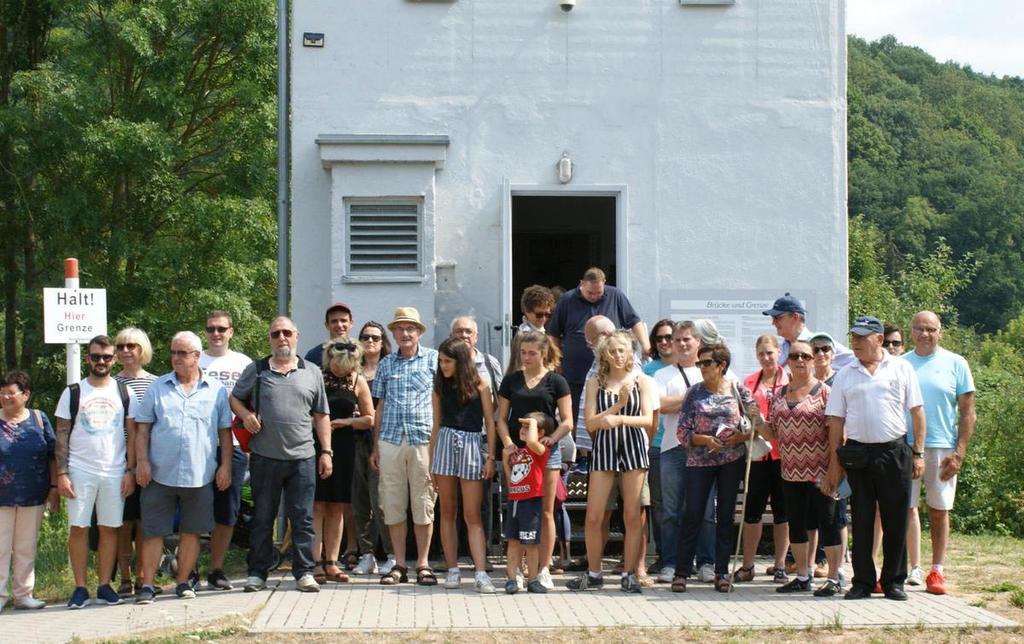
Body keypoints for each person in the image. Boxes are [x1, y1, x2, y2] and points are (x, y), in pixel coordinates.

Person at [823, 316, 925, 601]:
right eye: (853, 336)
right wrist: (835, 462)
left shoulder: (901, 368)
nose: (855, 342)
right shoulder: (845, 373)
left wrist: (918, 453)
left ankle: (893, 581)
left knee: (895, 519)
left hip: (894, 452)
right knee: (863, 519)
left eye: (862, 336)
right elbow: (835, 421)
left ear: (879, 339)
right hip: (858, 454)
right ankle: (863, 582)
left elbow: (917, 413)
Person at [231, 316, 333, 593]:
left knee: (303, 518)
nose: (281, 338)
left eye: (286, 332)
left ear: (296, 336)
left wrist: (326, 451)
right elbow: (235, 398)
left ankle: (304, 573)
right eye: (276, 334)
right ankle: (257, 572)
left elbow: (321, 415)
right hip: (265, 457)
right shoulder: (257, 369)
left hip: (303, 457)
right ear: (270, 339)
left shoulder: (311, 371)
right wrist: (246, 414)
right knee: (263, 518)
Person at [133, 332, 232, 603]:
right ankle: (148, 585)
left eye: (182, 353)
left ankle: (182, 582)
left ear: (197, 356)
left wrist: (225, 467)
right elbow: (142, 430)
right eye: (173, 353)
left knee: (192, 531)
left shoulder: (216, 391)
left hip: (200, 475)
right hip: (159, 474)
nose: (176, 358)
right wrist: (141, 462)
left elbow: (224, 433)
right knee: (153, 531)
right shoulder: (157, 387)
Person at [567, 331, 654, 593]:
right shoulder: (595, 381)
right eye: (612, 350)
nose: (617, 355)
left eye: (622, 350)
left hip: (633, 448)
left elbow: (648, 419)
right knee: (593, 516)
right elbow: (591, 422)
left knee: (631, 515)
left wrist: (621, 418)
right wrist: (617, 407)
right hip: (604, 450)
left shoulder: (642, 380)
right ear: (604, 353)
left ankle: (628, 573)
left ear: (631, 352)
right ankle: (594, 573)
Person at [55, 335, 138, 609]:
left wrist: (130, 471)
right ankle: (80, 588)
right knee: (78, 528)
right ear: (87, 358)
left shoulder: (125, 392)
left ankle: (104, 585)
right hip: (80, 470)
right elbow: (62, 434)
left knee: (110, 528)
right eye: (95, 357)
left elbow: (134, 435)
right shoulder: (74, 391)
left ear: (114, 359)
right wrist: (62, 474)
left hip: (115, 471)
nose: (100, 362)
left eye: (106, 357)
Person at [671, 343, 759, 594]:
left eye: (706, 363)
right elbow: (682, 431)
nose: (701, 367)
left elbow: (754, 426)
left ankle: (722, 572)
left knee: (726, 516)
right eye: (699, 363)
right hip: (699, 461)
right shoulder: (694, 393)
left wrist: (739, 437)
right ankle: (682, 572)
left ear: (722, 366)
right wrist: (704, 439)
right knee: (693, 514)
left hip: (731, 461)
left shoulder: (738, 390)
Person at [758, 341, 843, 596]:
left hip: (820, 470)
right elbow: (772, 432)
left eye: (806, 355)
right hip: (790, 470)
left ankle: (834, 577)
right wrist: (756, 420)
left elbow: (837, 433)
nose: (800, 360)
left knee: (827, 522)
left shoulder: (825, 393)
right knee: (797, 524)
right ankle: (803, 576)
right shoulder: (780, 395)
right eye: (794, 355)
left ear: (814, 359)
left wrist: (834, 470)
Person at [903, 311, 976, 595]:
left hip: (943, 447)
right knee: (907, 508)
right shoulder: (900, 364)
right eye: (920, 329)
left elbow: (968, 413)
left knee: (939, 510)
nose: (925, 334)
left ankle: (937, 570)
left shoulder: (956, 363)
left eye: (931, 329)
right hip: (906, 446)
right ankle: (913, 568)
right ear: (911, 331)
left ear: (940, 332)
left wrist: (959, 452)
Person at [496, 331, 573, 589]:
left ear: (543, 353)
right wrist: (507, 443)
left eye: (532, 353)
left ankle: (543, 569)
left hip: (544, 452)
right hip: (518, 456)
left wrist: (553, 438)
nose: (526, 357)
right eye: (523, 352)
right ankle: (515, 571)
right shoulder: (510, 381)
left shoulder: (557, 381)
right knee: (518, 510)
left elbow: (567, 420)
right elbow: (501, 419)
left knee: (547, 511)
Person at [371, 307, 439, 586]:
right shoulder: (386, 364)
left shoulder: (434, 359)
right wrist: (375, 446)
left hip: (423, 439)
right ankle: (399, 563)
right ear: (394, 333)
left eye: (410, 328)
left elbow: (440, 403)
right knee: (393, 502)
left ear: (419, 332)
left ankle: (423, 564)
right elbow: (380, 406)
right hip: (390, 439)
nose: (405, 333)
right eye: (400, 328)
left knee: (423, 501)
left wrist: (437, 446)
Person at [429, 338, 497, 593]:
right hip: (446, 441)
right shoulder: (438, 386)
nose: (442, 365)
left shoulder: (481, 382)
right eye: (440, 361)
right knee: (447, 511)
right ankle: (453, 569)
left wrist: (490, 456)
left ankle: (480, 572)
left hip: (471, 443)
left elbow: (489, 422)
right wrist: (431, 461)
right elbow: (435, 425)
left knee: (472, 514)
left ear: (460, 360)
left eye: (447, 361)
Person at [654, 321, 716, 584]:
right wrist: (695, 396)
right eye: (677, 340)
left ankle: (707, 563)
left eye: (686, 340)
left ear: (698, 342)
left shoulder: (713, 369)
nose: (680, 344)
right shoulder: (662, 375)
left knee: (705, 510)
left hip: (705, 451)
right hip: (671, 448)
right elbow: (661, 405)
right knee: (670, 511)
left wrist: (685, 400)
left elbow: (723, 402)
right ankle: (671, 563)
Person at [548, 267, 648, 422]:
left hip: (611, 374)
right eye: (590, 293)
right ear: (581, 284)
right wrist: (556, 362)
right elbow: (553, 334)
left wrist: (646, 346)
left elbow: (635, 322)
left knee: (609, 414)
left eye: (598, 293)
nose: (594, 296)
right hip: (576, 374)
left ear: (604, 284)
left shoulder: (616, 295)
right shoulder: (567, 300)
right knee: (577, 417)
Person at [311, 338, 374, 585]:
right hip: (316, 444)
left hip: (346, 446)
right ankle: (315, 562)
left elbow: (370, 418)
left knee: (337, 506)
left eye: (347, 366)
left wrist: (345, 422)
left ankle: (332, 563)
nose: (342, 371)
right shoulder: (317, 376)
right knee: (317, 506)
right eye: (338, 366)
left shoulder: (357, 381)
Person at [198, 311, 253, 590]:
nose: (216, 333)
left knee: (227, 511)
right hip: (199, 446)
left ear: (231, 331)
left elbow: (254, 403)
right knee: (195, 508)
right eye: (210, 329)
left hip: (234, 446)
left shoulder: (244, 362)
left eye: (221, 328)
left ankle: (216, 570)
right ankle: (189, 570)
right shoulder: (195, 358)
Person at [734, 335, 790, 583]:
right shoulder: (749, 382)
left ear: (778, 352)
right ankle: (748, 565)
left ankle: (780, 565)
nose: (766, 358)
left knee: (783, 512)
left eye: (770, 353)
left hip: (784, 455)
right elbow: (742, 414)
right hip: (757, 455)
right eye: (761, 354)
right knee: (752, 512)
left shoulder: (789, 380)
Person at [0, 370, 57, 610]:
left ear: (26, 394)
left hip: (34, 494)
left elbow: (54, 456)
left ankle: (23, 595)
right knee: (0, 547)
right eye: (2, 393)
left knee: (26, 546)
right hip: (1, 497)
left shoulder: (39, 418)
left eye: (10, 393)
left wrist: (54, 487)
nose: (5, 397)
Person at [112, 327, 156, 596]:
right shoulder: (108, 382)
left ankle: (144, 577)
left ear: (143, 350)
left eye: (132, 346)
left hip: (150, 461)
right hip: (117, 460)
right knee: (122, 521)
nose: (126, 351)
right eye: (121, 346)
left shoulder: (157, 382)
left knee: (144, 521)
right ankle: (125, 578)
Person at [350, 321, 395, 576]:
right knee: (359, 501)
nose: (370, 341)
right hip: (355, 440)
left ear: (382, 341)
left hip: (382, 441)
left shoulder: (389, 368)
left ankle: (390, 553)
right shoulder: (352, 370)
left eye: (375, 338)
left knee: (381, 501)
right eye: (365, 337)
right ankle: (366, 554)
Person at [504, 413, 555, 594]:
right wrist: (505, 460)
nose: (523, 430)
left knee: (531, 542)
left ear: (540, 432)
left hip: (531, 502)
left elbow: (533, 442)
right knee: (513, 541)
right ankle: (511, 579)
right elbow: (512, 483)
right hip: (515, 501)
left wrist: (532, 422)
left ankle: (533, 579)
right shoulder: (520, 453)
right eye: (523, 427)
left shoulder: (540, 449)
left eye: (528, 427)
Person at [643, 319, 676, 572]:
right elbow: (651, 404)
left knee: (686, 504)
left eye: (669, 337)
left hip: (683, 442)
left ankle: (688, 557)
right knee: (660, 504)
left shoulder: (688, 367)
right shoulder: (648, 370)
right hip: (655, 443)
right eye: (659, 338)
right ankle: (665, 556)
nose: (664, 342)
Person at [763, 293, 854, 370]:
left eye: (777, 318)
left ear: (795, 317)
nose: (773, 323)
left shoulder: (821, 344)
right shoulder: (782, 348)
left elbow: (857, 361)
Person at [304, 303, 355, 367]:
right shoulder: (314, 355)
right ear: (327, 325)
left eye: (343, 320)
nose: (339, 325)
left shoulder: (358, 352)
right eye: (334, 321)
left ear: (351, 323)